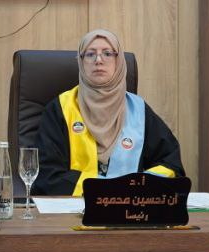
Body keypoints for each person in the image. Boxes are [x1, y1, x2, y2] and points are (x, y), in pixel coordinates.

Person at [31, 29, 184, 196]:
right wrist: (103, 189)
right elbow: (47, 174)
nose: (98, 60)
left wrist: (138, 186)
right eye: (90, 54)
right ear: (81, 62)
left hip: (128, 205)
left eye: (107, 53)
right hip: (77, 204)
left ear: (119, 62)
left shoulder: (138, 110)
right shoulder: (60, 108)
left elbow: (171, 165)